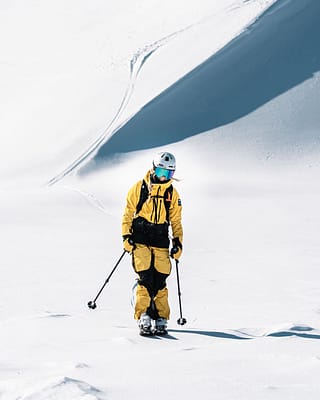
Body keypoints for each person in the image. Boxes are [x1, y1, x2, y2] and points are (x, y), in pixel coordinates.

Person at [122, 151, 183, 335]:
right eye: (160, 172)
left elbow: (176, 221)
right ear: (153, 168)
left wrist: (178, 242)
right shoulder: (140, 188)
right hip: (140, 237)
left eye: (168, 174)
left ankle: (161, 316)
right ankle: (143, 315)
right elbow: (127, 213)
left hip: (160, 238)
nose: (163, 177)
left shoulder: (171, 193)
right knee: (146, 276)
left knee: (161, 278)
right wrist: (126, 236)